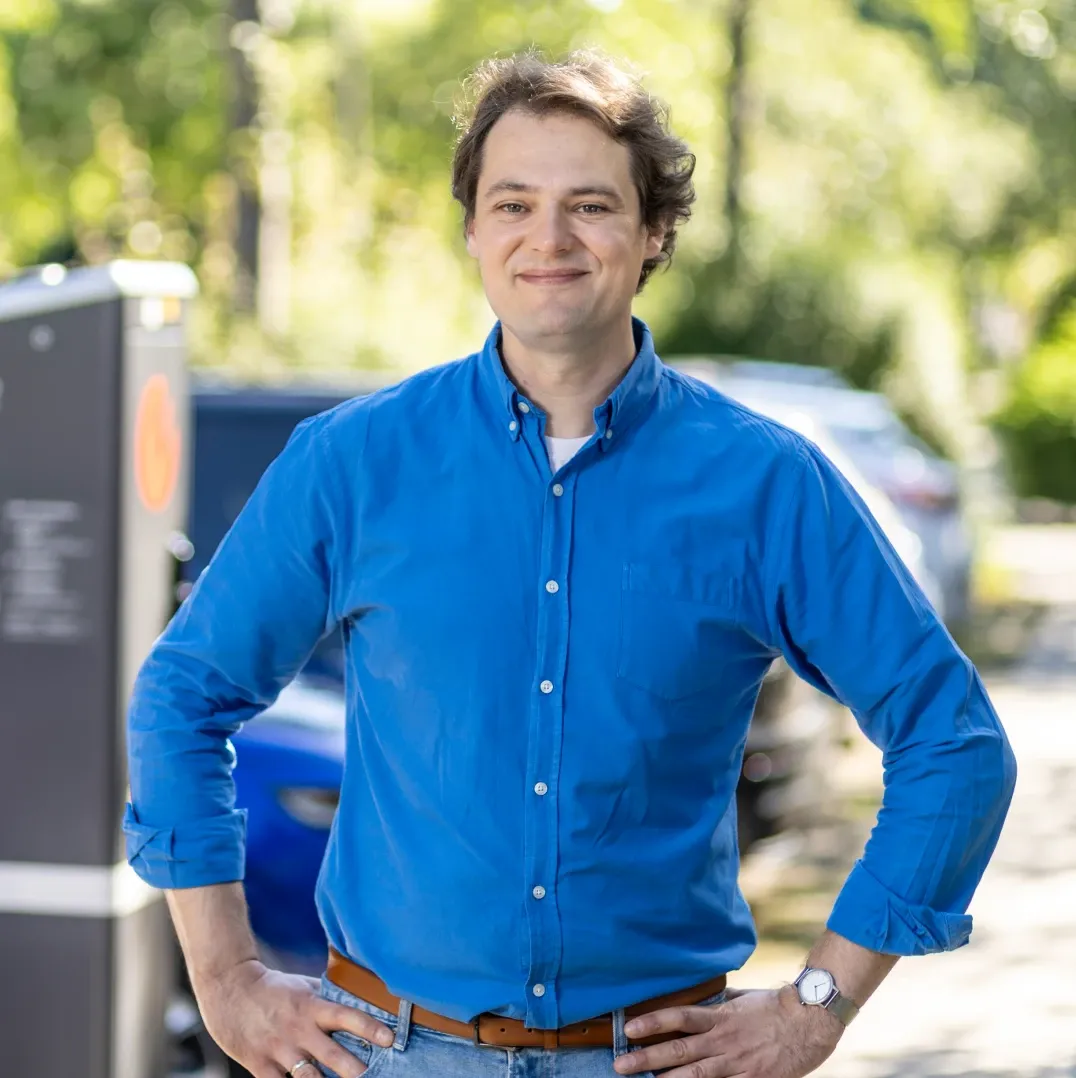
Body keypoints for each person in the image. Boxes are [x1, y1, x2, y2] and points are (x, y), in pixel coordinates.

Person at [124, 50, 1017, 1078]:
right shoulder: (353, 463)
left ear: (650, 234)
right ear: (472, 232)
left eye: (589, 205)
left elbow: (952, 745)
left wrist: (814, 1005)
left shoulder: (763, 485)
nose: (546, 238)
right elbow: (183, 694)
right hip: (393, 1054)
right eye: (511, 204)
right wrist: (225, 975)